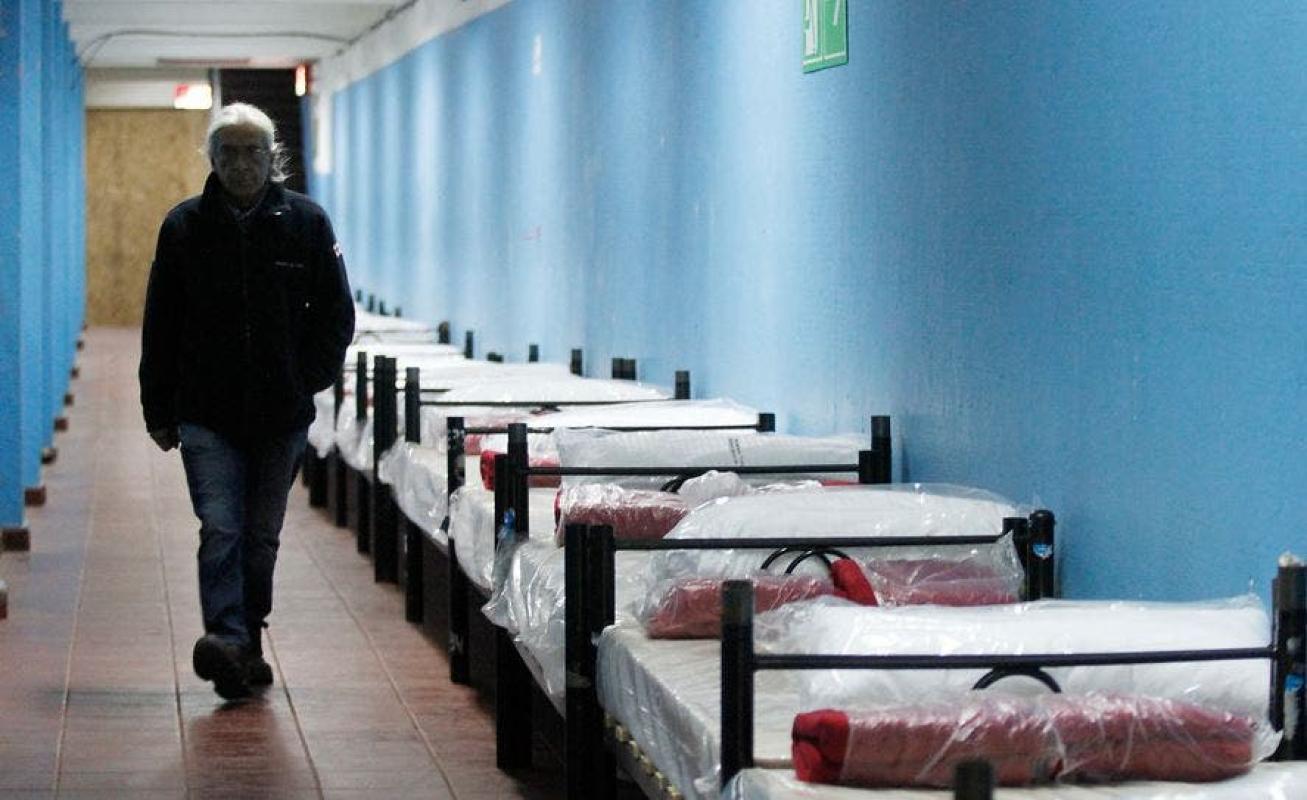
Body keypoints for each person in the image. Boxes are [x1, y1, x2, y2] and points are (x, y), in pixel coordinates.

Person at [139, 103, 354, 700]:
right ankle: (227, 636)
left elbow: (336, 315)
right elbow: (161, 323)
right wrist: (158, 408)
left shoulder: (307, 223)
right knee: (221, 527)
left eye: (252, 151)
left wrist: (304, 379)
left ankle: (246, 637)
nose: (240, 163)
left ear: (271, 157)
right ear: (211, 159)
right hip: (205, 413)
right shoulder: (184, 227)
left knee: (261, 536)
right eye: (228, 152)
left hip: (280, 415)